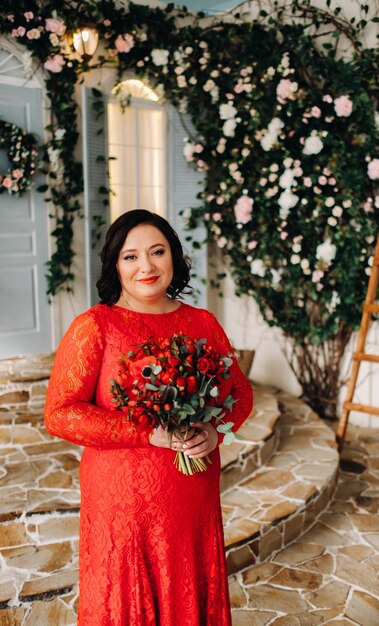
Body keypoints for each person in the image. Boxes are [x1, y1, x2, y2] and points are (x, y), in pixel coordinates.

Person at [44, 209, 253, 626]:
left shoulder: (202, 323)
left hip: (189, 495)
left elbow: (240, 395)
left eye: (157, 252)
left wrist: (213, 433)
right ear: (115, 265)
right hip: (122, 502)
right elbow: (60, 415)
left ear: (173, 256)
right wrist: (146, 432)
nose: (146, 266)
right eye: (131, 256)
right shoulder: (96, 327)